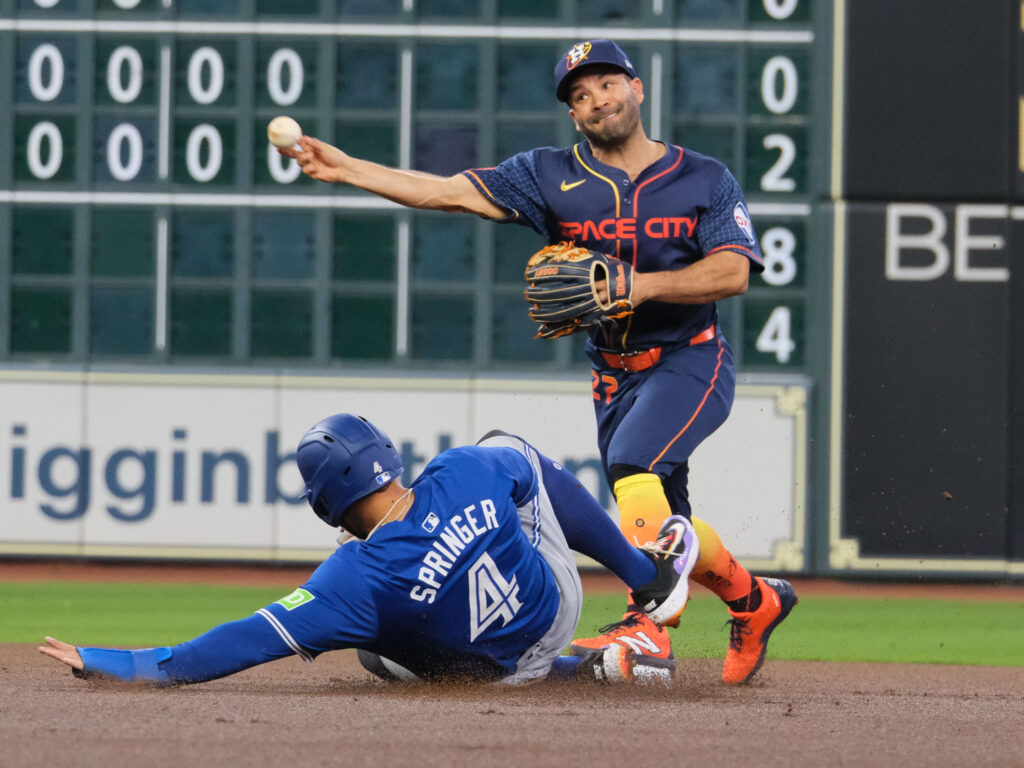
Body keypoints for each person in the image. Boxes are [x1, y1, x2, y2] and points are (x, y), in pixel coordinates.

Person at [281, 39, 797, 685]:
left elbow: (732, 271)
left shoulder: (704, 178)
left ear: (637, 89)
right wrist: (350, 167)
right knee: (669, 522)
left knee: (633, 465)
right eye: (579, 96)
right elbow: (445, 192)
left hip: (689, 358)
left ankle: (647, 620)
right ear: (573, 114)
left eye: (606, 84)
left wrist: (638, 287)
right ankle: (755, 599)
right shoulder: (547, 174)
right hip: (613, 372)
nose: (595, 100)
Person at [40, 413, 699, 686]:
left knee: (371, 647)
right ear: (385, 457)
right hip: (554, 602)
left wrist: (114, 662)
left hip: (501, 673)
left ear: (328, 502)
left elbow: (237, 642)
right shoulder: (462, 470)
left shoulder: (349, 580)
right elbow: (522, 481)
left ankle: (577, 670)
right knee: (510, 452)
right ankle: (646, 577)